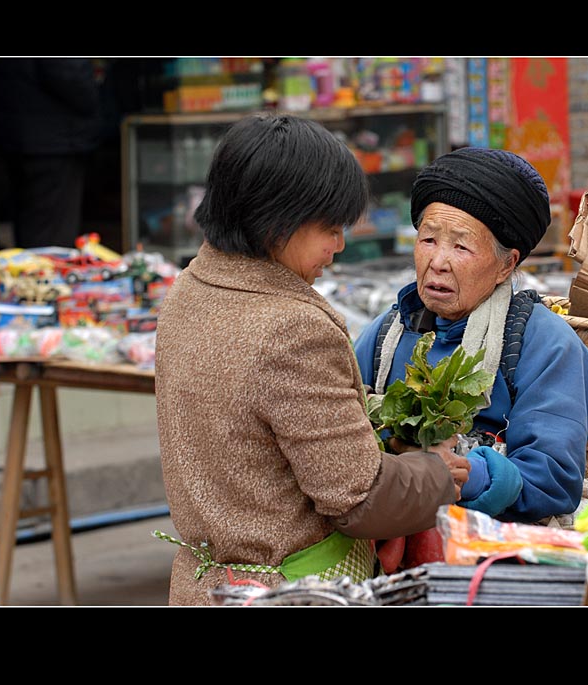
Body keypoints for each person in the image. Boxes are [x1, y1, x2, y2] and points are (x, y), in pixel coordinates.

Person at [153, 113, 470, 606]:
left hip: (203, 585)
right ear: (277, 220)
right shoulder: (291, 328)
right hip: (289, 590)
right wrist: (438, 473)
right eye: (330, 227)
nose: (339, 246)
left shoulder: (189, 290)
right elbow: (357, 497)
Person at [354, 147, 588, 539]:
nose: (438, 261)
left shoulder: (545, 344)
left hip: (491, 545)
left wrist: (467, 473)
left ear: (507, 265)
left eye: (460, 246)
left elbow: (554, 480)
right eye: (428, 240)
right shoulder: (387, 334)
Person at [0, 58, 104, 249]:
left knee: (33, 229)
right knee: (50, 242)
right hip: (52, 139)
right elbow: (69, 74)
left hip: (18, 132)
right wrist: (96, 95)